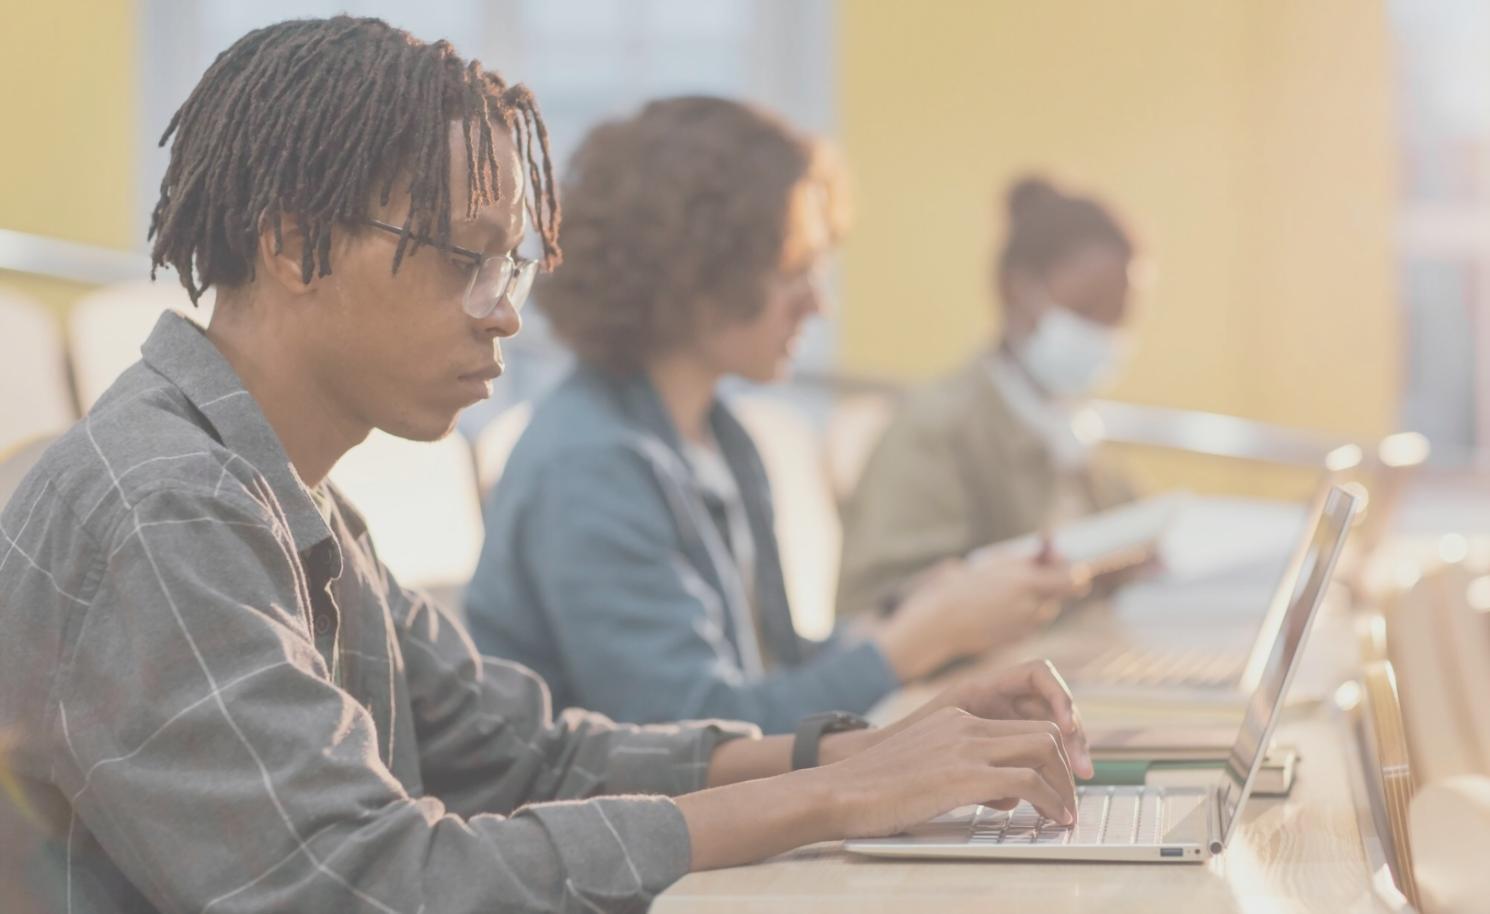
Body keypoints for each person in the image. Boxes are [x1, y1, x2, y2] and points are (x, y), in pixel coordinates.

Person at [0, 19, 1093, 913]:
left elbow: (527, 756)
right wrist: (835, 797)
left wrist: (864, 754)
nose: (506, 312)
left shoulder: (287, 495)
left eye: (510, 264)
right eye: (464, 260)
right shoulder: (166, 507)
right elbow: (368, 885)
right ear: (292, 245)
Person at [465, 98, 1077, 734]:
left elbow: (764, 677)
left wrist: (905, 620)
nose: (818, 304)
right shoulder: (591, 467)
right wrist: (913, 643)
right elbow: (698, 737)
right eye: (794, 270)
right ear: (695, 274)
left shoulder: (721, 438)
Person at [837, 176, 1140, 618]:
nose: (1102, 334)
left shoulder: (1074, 429)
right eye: (1085, 309)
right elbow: (880, 609)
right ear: (1016, 289)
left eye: (1119, 316)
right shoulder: (936, 430)